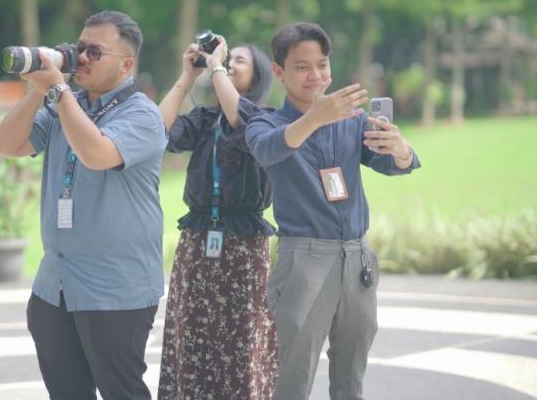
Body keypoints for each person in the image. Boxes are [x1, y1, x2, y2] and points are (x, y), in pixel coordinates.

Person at [0, 10, 166, 400]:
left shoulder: (142, 114)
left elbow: (96, 153)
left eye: (94, 51)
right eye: (78, 47)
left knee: (122, 392)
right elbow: (6, 145)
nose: (81, 57)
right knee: (67, 393)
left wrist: (58, 91)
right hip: (55, 284)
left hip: (115, 288)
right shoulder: (62, 105)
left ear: (126, 63)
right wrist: (39, 88)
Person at [245, 22, 421, 400]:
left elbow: (394, 164)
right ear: (279, 72)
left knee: (351, 374)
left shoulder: (353, 118)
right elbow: (269, 149)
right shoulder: (266, 122)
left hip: (356, 256)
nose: (316, 75)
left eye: (322, 65)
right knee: (294, 375)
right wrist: (316, 117)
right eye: (302, 67)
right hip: (304, 258)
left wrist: (400, 148)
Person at [157, 35, 278, 399]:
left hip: (244, 243)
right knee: (190, 335)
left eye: (239, 60)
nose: (227, 62)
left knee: (242, 339)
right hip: (198, 237)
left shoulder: (266, 119)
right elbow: (158, 131)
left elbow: (239, 118)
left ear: (256, 78)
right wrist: (186, 77)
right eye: (228, 58)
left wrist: (218, 65)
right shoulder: (204, 117)